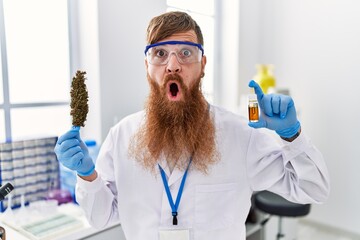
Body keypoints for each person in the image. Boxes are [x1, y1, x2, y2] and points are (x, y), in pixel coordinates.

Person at [54, 11, 330, 240]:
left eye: (186, 52)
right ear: (147, 65)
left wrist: (291, 135)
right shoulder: (122, 136)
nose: (173, 65)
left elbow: (313, 189)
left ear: (203, 64)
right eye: (160, 54)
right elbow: (100, 217)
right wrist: (88, 176)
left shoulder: (241, 136)